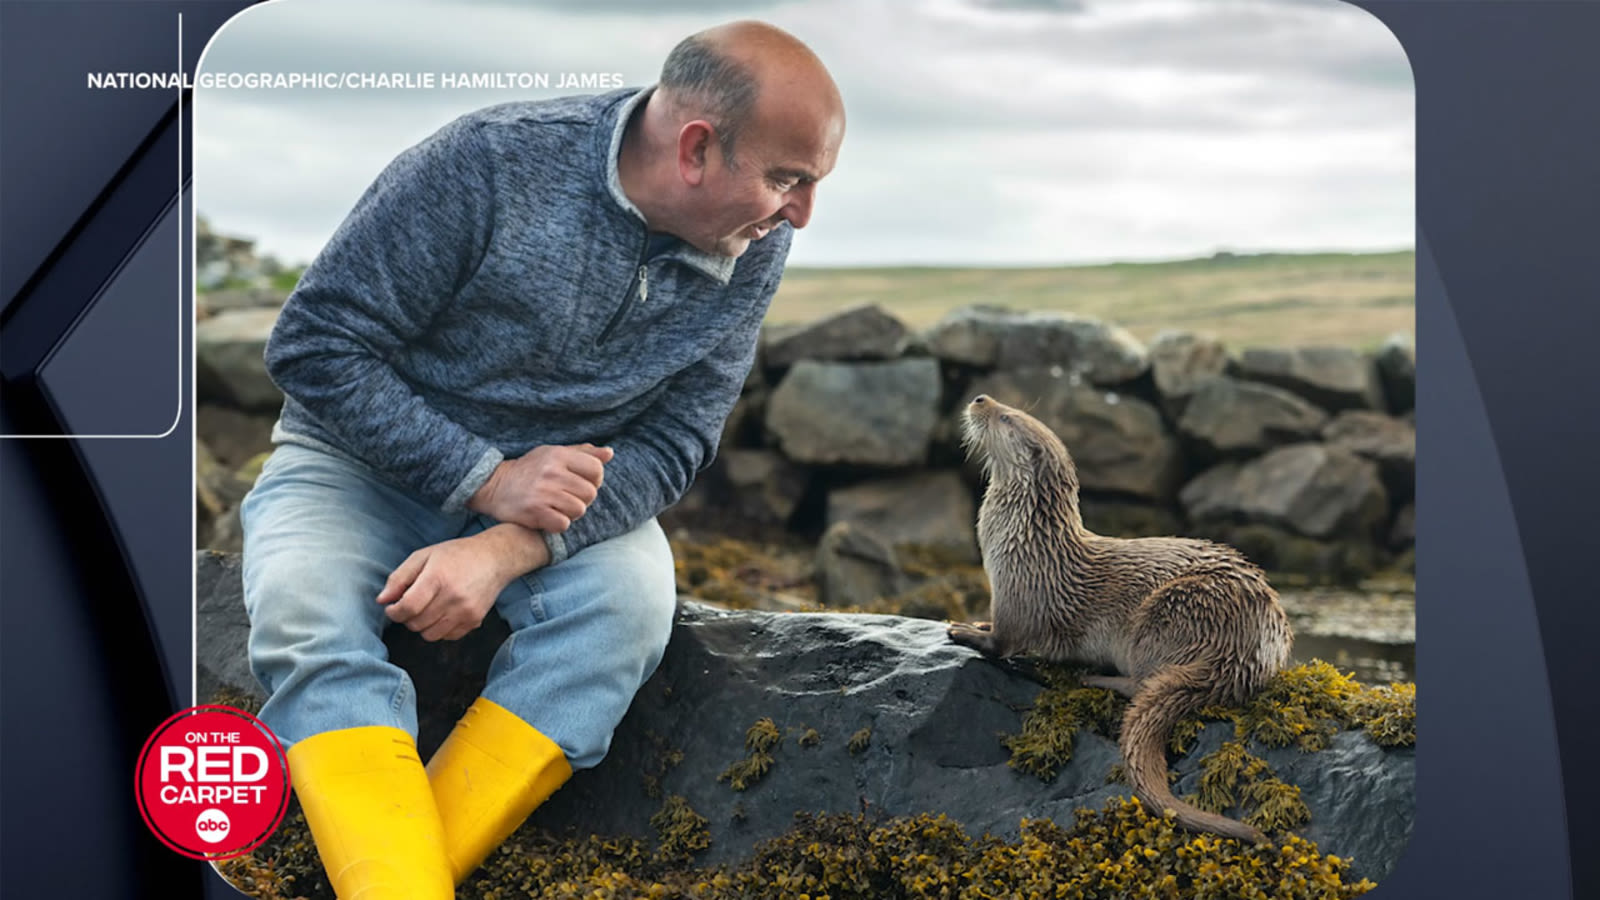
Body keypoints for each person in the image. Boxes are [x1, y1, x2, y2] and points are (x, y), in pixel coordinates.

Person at [238, 20, 845, 898]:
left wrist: (506, 544)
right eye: (788, 178)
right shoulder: (486, 164)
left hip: (564, 501)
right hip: (355, 468)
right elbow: (313, 346)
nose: (800, 213)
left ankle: (399, 880)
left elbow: (677, 442)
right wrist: (486, 479)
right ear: (698, 148)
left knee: (630, 610)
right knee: (302, 612)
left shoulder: (757, 239)